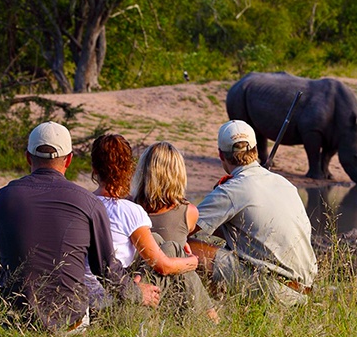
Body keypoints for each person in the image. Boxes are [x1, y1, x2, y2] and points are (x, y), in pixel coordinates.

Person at [0, 121, 160, 334]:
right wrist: (138, 294)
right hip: (69, 320)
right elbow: (106, 269)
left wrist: (16, 273)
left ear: (28, 157)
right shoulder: (89, 203)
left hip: (9, 318)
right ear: (69, 160)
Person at [189, 120, 318, 306]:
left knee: (185, 247)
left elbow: (183, 229)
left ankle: (205, 311)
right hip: (305, 290)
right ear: (255, 150)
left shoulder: (231, 190)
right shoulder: (285, 184)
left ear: (220, 154)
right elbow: (253, 232)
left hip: (274, 290)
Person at [82, 134, 204, 315]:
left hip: (83, 296)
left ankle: (207, 315)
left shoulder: (82, 204)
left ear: (93, 169)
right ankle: (207, 316)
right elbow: (163, 266)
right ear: (129, 169)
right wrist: (192, 262)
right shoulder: (131, 210)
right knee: (171, 249)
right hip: (117, 295)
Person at [131, 141, 218, 321]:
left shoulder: (130, 208)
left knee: (167, 249)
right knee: (182, 258)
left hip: (142, 287)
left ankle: (211, 317)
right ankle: (211, 317)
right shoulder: (189, 212)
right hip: (178, 295)